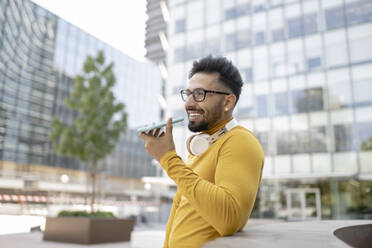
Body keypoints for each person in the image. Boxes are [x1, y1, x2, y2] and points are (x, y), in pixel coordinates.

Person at [139, 56, 264, 248]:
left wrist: (169, 159)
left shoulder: (240, 141)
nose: (189, 103)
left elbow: (230, 218)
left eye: (199, 94)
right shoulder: (206, 145)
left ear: (228, 102)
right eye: (188, 94)